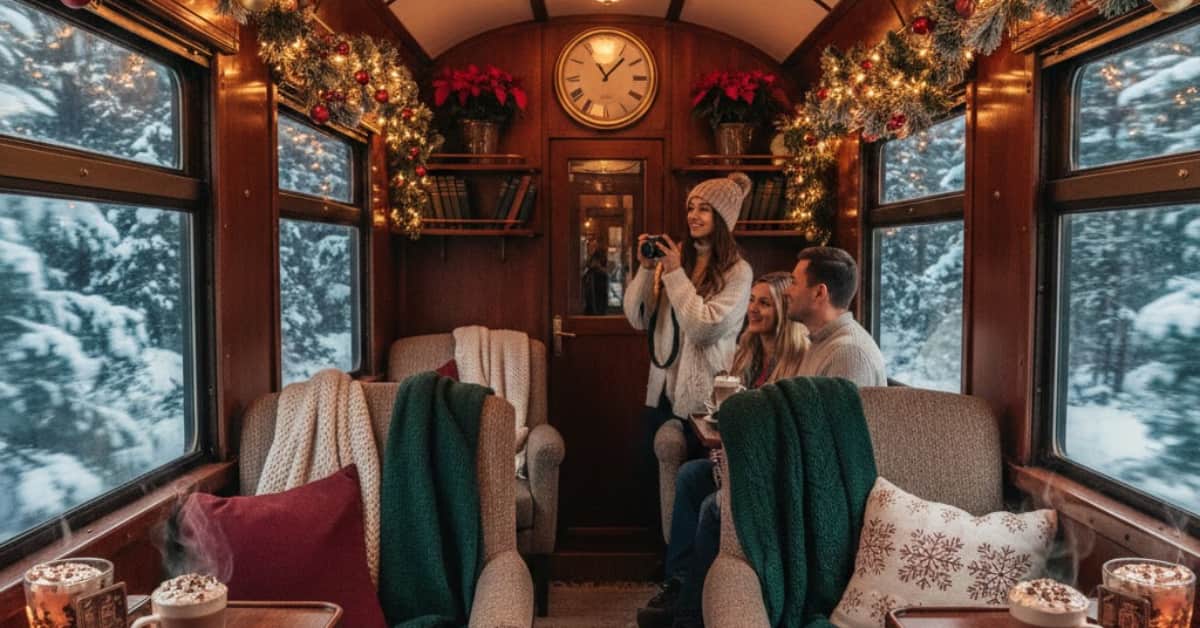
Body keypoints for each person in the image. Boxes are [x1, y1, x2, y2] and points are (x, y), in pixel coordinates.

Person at [638, 272, 809, 628]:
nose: (754, 310)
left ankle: (687, 614)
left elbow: (784, 430)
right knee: (690, 475)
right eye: (752, 300)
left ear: (782, 307)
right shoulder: (748, 351)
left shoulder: (798, 360)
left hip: (768, 467)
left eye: (764, 302)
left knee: (709, 506)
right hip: (740, 456)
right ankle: (679, 582)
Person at [622, 172, 755, 533]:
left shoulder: (738, 272)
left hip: (704, 404)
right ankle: (672, 564)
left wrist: (675, 274)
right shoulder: (675, 261)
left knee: (696, 490)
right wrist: (647, 269)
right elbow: (636, 317)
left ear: (723, 220)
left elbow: (705, 326)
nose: (693, 216)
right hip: (664, 393)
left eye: (705, 210)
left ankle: (693, 571)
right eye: (691, 208)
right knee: (658, 483)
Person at [786, 246, 886, 387]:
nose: (786, 291)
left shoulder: (848, 354)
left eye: (794, 283)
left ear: (819, 293)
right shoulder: (822, 341)